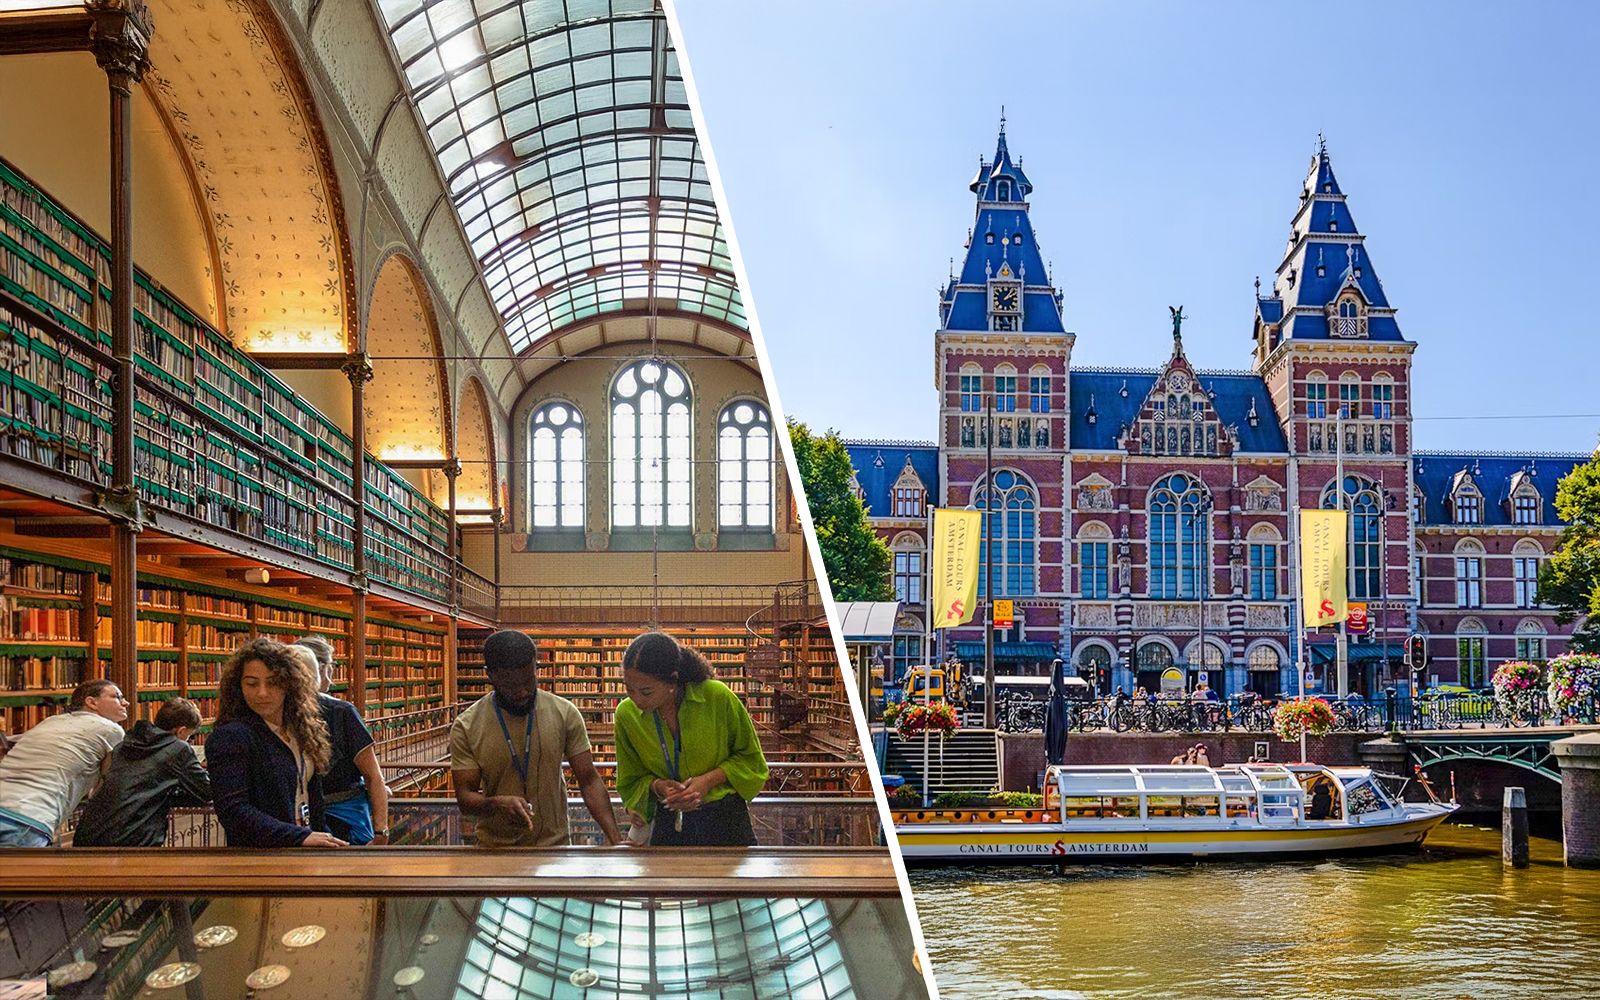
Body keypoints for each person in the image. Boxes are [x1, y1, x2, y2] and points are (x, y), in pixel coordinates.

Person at [449, 629, 620, 847]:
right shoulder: (467, 726)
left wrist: (616, 841)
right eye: (510, 686)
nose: (522, 692)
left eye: (528, 681)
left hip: (555, 847)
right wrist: (496, 804)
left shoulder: (564, 713)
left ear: (535, 668)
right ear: (490, 674)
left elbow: (589, 780)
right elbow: (465, 797)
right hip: (495, 850)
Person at [614, 631, 769, 846]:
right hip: (667, 820)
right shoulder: (626, 714)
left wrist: (707, 781)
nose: (636, 699)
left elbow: (751, 760)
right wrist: (659, 787)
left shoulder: (717, 697)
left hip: (725, 819)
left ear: (672, 681)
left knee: (734, 880)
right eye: (629, 689)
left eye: (646, 692)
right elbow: (630, 778)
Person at [207, 637, 345, 848]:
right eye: (251, 683)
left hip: (307, 845)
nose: (262, 693)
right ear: (239, 686)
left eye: (272, 682)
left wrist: (322, 836)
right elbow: (234, 811)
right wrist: (299, 836)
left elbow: (313, 797)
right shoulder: (231, 736)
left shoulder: (301, 729)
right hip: (263, 856)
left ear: (289, 684)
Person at [0, 680, 128, 847]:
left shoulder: (51, 721)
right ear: (91, 702)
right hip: (27, 818)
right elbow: (108, 785)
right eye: (117, 697)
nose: (126, 702)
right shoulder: (111, 730)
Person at [72, 698, 210, 848]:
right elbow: (205, 791)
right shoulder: (178, 748)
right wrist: (172, 795)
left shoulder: (124, 745)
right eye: (189, 736)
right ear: (181, 731)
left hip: (89, 830)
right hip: (132, 835)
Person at [293, 636, 390, 846]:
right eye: (332, 665)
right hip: (343, 820)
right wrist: (381, 830)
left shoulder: (280, 712)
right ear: (318, 668)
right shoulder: (342, 712)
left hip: (302, 821)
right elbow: (373, 775)